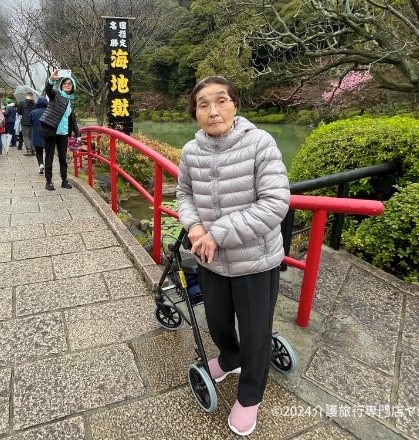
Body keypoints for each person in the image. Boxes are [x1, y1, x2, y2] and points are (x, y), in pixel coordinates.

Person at [176, 76, 290, 436]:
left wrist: (217, 234)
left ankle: (251, 394)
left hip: (254, 259)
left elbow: (275, 203)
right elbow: (184, 195)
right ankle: (229, 358)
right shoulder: (190, 151)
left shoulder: (259, 143)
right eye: (203, 104)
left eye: (221, 101)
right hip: (210, 258)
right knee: (217, 320)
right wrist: (195, 228)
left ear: (235, 104)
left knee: (256, 331)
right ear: (195, 112)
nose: (213, 111)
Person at [39, 71, 80, 191]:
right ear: (61, 85)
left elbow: (72, 119)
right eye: (65, 83)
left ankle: (64, 180)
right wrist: (51, 80)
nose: (67, 85)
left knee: (63, 157)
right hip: (51, 130)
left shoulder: (71, 101)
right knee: (49, 157)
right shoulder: (56, 94)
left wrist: (77, 134)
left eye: (69, 84)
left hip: (63, 133)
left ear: (73, 87)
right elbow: (48, 90)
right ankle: (48, 181)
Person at [29, 96, 48, 174]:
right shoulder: (49, 111)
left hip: (37, 133)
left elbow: (31, 123)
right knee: (48, 152)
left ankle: (40, 164)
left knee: (38, 151)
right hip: (47, 134)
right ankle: (48, 166)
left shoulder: (33, 112)